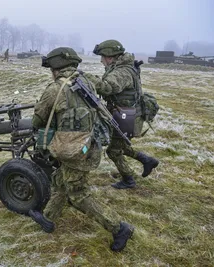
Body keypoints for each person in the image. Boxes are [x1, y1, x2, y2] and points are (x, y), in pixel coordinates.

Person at [28, 47, 134, 252]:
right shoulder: (85, 82)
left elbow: (37, 120)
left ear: (55, 68)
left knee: (78, 194)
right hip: (88, 144)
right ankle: (48, 218)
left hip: (72, 149)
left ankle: (119, 228)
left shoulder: (54, 89)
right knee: (60, 180)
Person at [84, 40, 159, 189]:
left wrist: (85, 77)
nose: (101, 61)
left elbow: (107, 87)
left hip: (126, 116)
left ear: (110, 57)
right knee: (121, 146)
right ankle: (147, 160)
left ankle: (128, 179)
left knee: (114, 151)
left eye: (102, 57)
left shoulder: (122, 72)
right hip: (125, 114)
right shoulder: (122, 68)